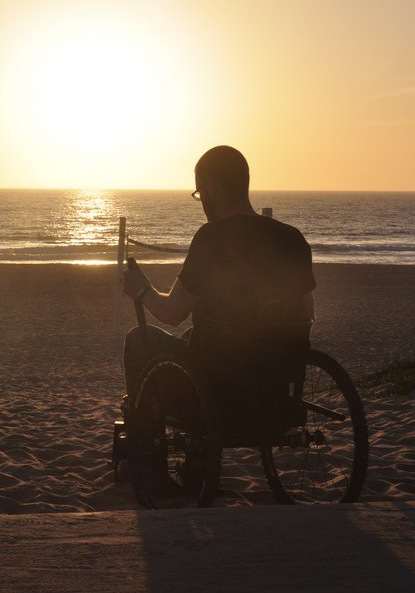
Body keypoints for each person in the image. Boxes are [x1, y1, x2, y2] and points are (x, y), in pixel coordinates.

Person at [123, 145, 315, 429]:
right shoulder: (292, 239)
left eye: (199, 193)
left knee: (138, 340)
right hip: (270, 392)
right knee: (192, 334)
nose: (200, 201)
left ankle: (149, 452)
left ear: (213, 187)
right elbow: (307, 314)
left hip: (217, 392)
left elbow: (172, 312)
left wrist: (143, 290)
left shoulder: (212, 239)